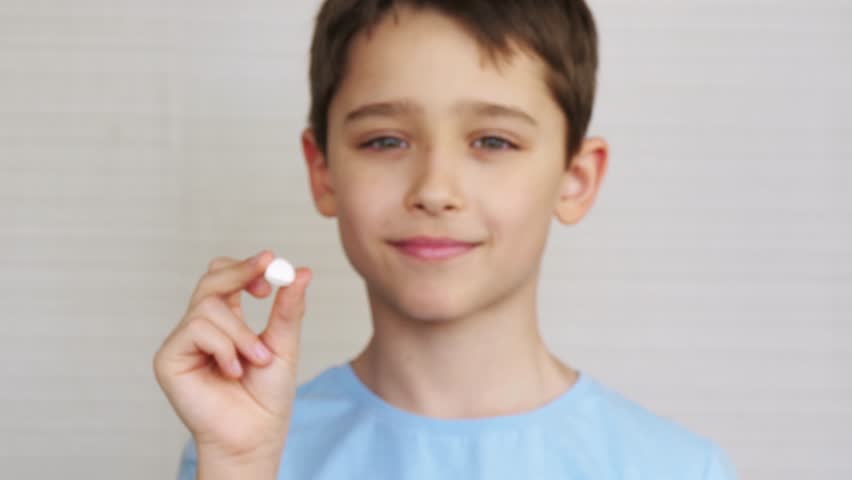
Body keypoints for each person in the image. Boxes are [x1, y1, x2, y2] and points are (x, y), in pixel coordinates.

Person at [153, 1, 738, 478]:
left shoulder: (677, 469)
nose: (435, 190)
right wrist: (238, 466)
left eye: (493, 142)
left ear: (576, 179)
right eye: (385, 141)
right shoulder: (248, 445)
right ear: (322, 170)